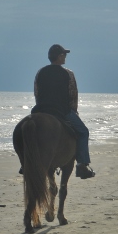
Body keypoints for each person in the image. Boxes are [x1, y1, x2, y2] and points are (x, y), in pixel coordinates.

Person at [33, 44, 95, 179]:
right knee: (83, 132)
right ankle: (82, 165)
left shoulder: (40, 72)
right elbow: (73, 95)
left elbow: (37, 93)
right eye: (64, 55)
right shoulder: (68, 73)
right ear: (59, 56)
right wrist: (74, 111)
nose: (65, 57)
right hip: (62, 110)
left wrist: (41, 109)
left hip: (41, 110)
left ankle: (25, 163)